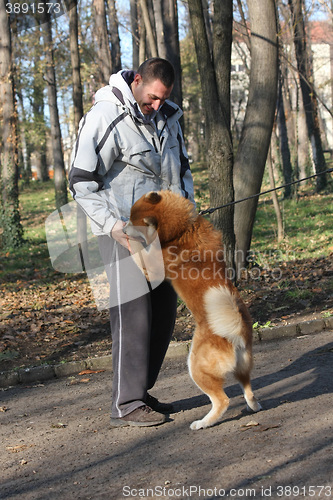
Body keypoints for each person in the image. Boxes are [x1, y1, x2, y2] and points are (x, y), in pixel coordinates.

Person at [69, 58, 195, 427]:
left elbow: (182, 171)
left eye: (163, 99)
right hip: (120, 231)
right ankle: (125, 402)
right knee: (134, 313)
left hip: (160, 232)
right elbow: (80, 181)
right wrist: (114, 227)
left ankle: (141, 391)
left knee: (163, 311)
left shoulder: (170, 117)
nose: (156, 106)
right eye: (152, 97)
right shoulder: (106, 115)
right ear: (137, 80)